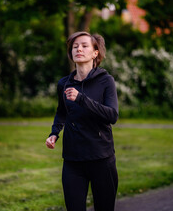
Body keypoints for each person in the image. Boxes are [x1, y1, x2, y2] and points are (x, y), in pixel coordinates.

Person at [45, 31, 119, 211]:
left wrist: (81, 99)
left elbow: (112, 115)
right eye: (75, 47)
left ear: (95, 53)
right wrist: (54, 132)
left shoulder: (106, 81)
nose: (79, 49)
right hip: (73, 160)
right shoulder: (64, 83)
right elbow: (61, 112)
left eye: (84, 46)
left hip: (101, 158)